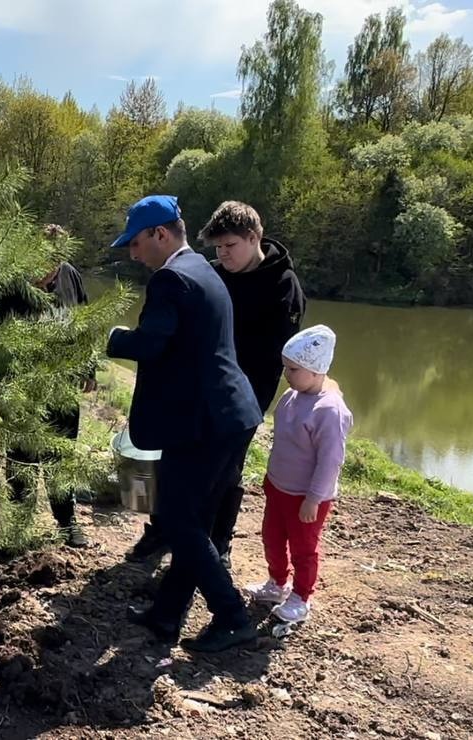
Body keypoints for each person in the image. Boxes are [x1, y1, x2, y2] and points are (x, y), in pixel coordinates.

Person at [106, 195, 263, 652]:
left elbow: (152, 345)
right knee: (192, 520)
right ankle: (167, 615)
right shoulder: (204, 270)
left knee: (176, 520)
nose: (133, 254)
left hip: (202, 422)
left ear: (160, 234)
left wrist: (111, 337)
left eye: (136, 244)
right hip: (229, 415)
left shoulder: (171, 279)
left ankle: (231, 615)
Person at [203, 202, 306, 568]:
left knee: (228, 467)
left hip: (246, 393)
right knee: (189, 459)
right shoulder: (212, 274)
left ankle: (221, 540)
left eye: (230, 245)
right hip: (202, 387)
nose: (222, 254)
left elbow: (274, 354)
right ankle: (178, 531)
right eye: (217, 247)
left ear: (253, 238)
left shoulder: (283, 286)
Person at [0, 225, 95, 548]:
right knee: (20, 460)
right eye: (41, 266)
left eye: (53, 268)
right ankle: (18, 528)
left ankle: (67, 523)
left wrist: (89, 367)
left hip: (61, 387)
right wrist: (12, 386)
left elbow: (84, 322)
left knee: (60, 458)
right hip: (20, 391)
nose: (46, 277)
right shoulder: (10, 287)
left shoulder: (71, 276)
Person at [245, 325, 353, 624]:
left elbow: (330, 461)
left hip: (305, 497)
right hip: (279, 487)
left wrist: (313, 498)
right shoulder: (292, 396)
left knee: (303, 548)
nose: (286, 375)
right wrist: (270, 478)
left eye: (293, 369)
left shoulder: (329, 411)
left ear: (316, 369)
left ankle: (301, 597)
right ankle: (277, 583)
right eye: (286, 368)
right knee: (272, 537)